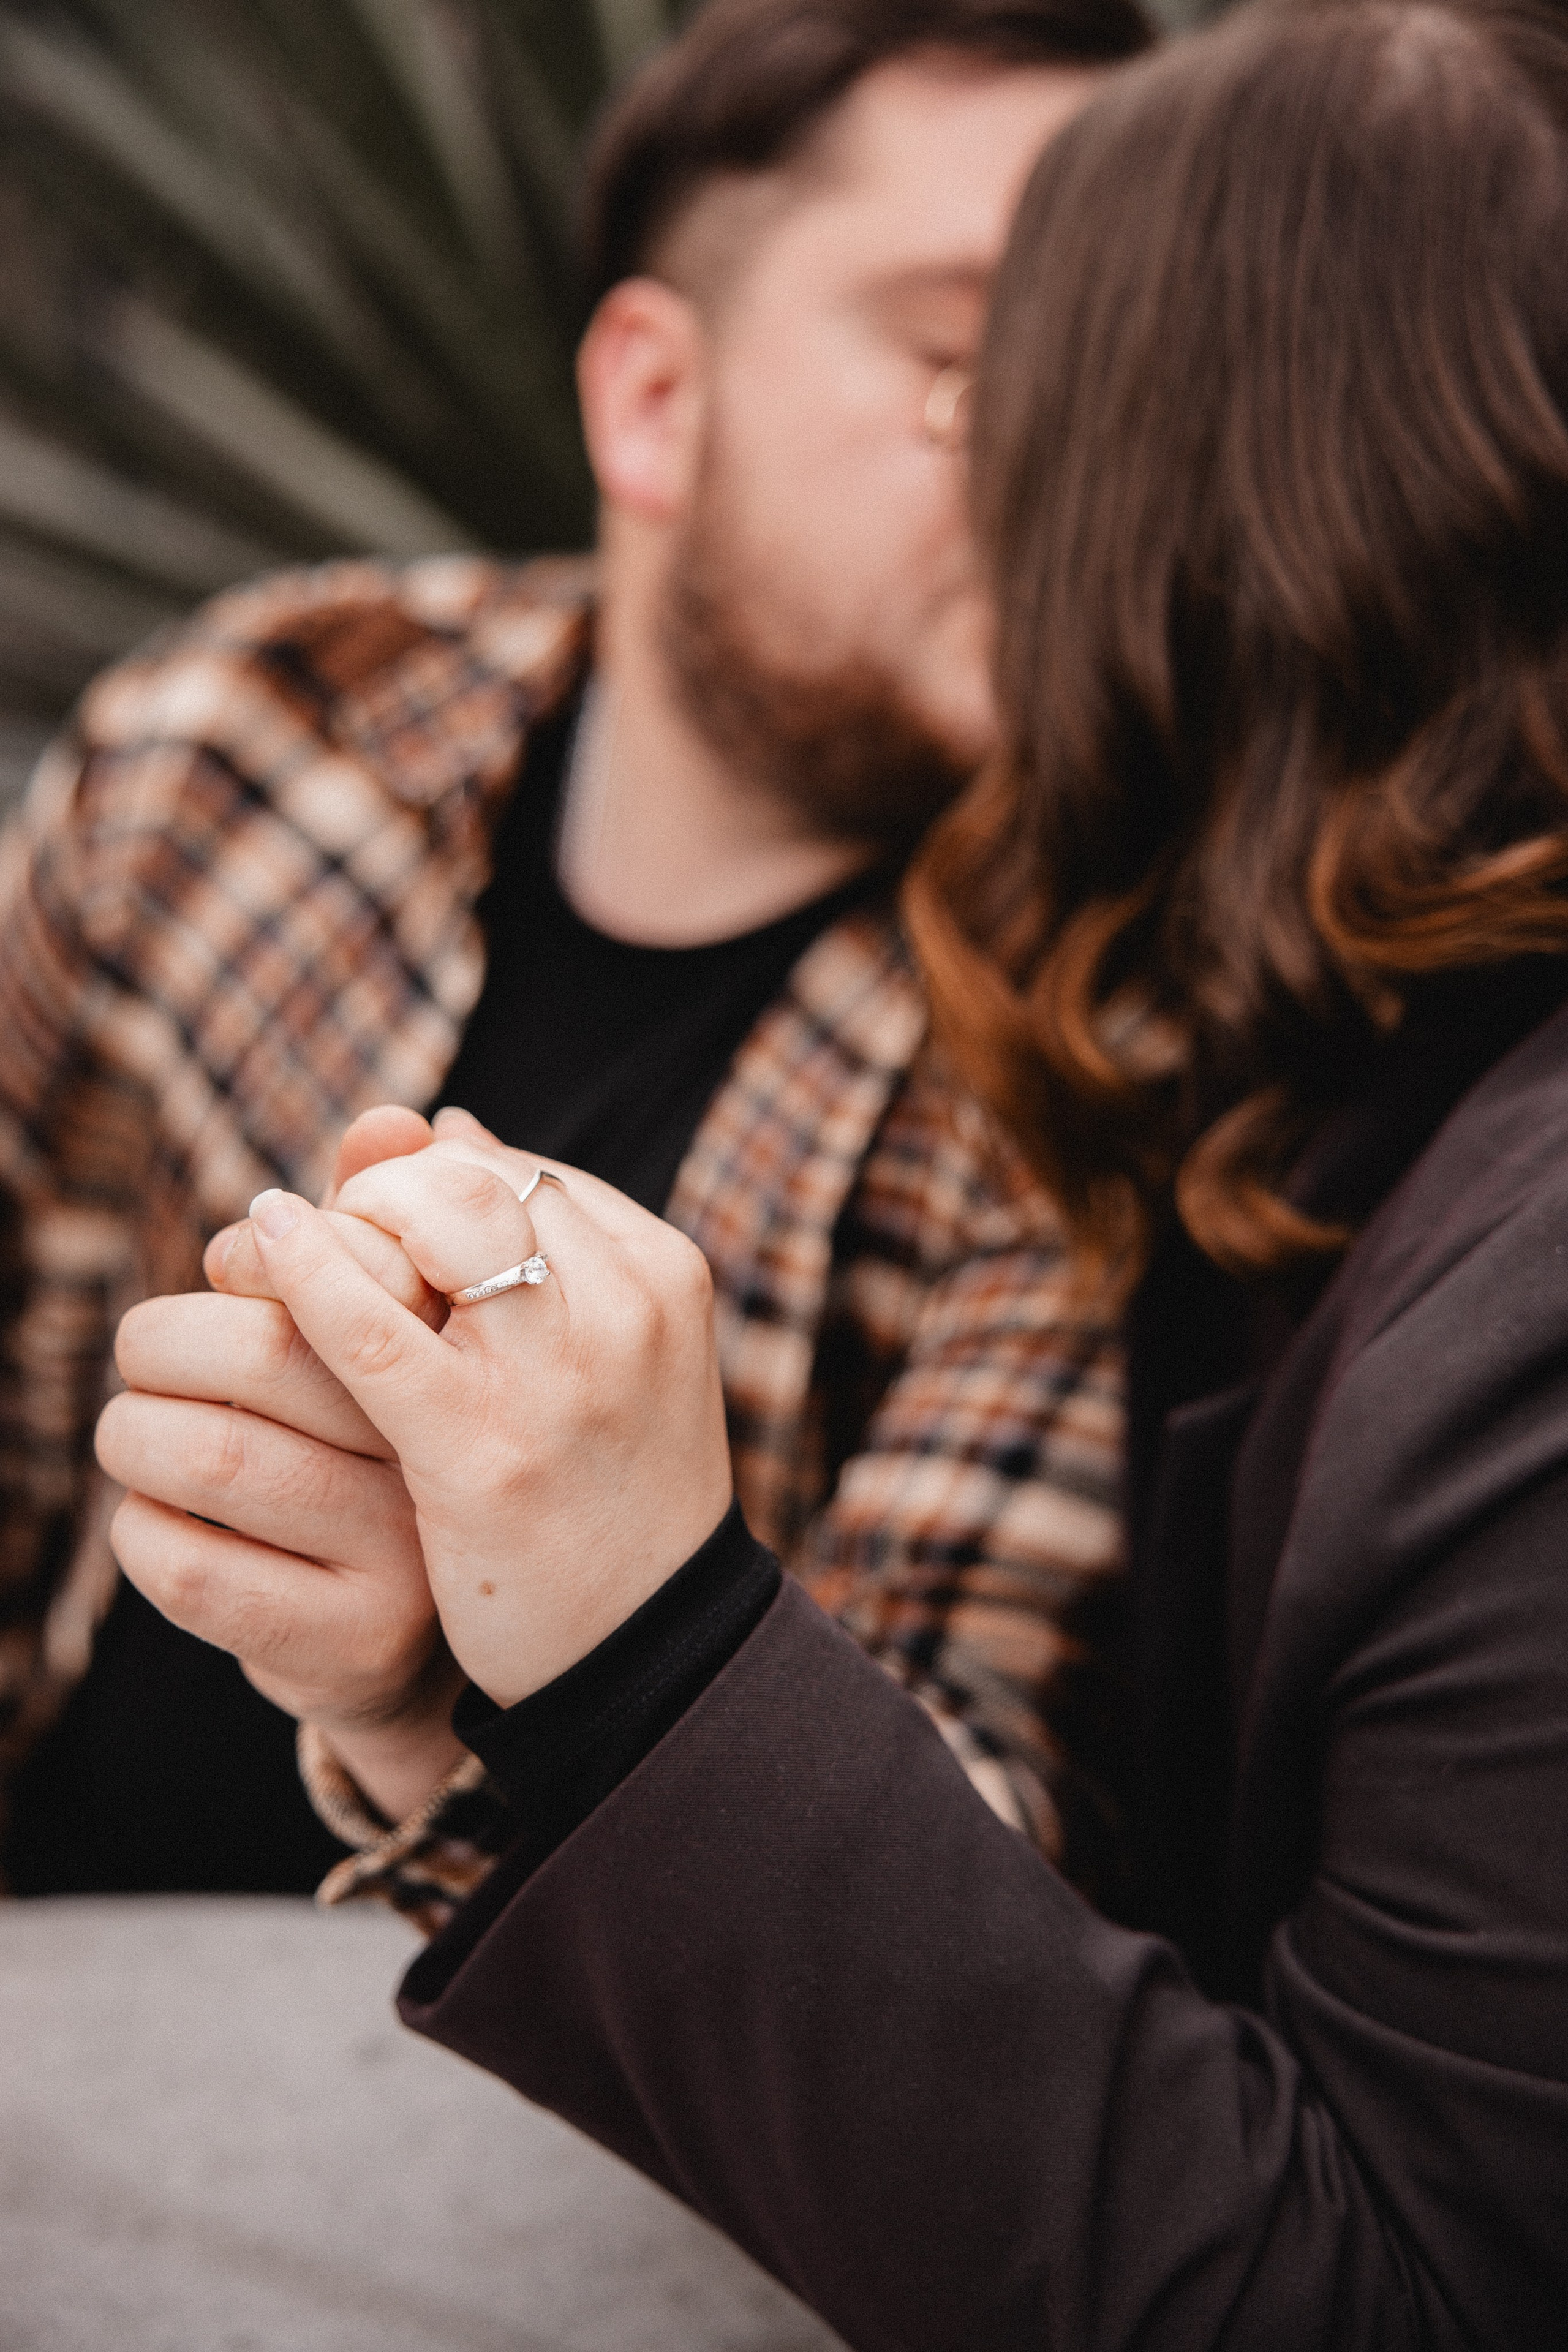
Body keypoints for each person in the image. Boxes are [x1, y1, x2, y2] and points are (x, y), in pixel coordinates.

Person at [103, 0, 1568, 2340]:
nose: (1009, 474)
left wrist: (581, 1644)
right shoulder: (260, 735)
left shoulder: (1153, 1072)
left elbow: (1046, 1931)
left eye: (1053, 393)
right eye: (951, 366)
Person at [0, 0, 1153, 1902]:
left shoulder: (1102, 1031)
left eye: (1123, 386)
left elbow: (954, 1909)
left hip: (557, 2130)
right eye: (965, 364)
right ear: (654, 403)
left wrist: (425, 1702)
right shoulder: (249, 738)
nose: (1075, 470)